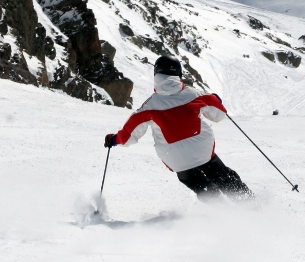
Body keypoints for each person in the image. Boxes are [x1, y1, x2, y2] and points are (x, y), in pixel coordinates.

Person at [104, 55, 253, 201]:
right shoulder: (194, 94)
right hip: (203, 152)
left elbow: (128, 135)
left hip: (175, 159)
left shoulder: (149, 106)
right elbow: (219, 114)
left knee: (196, 182)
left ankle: (217, 210)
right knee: (222, 175)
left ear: (156, 75)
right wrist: (216, 99)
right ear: (178, 74)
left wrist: (115, 139)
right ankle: (248, 203)